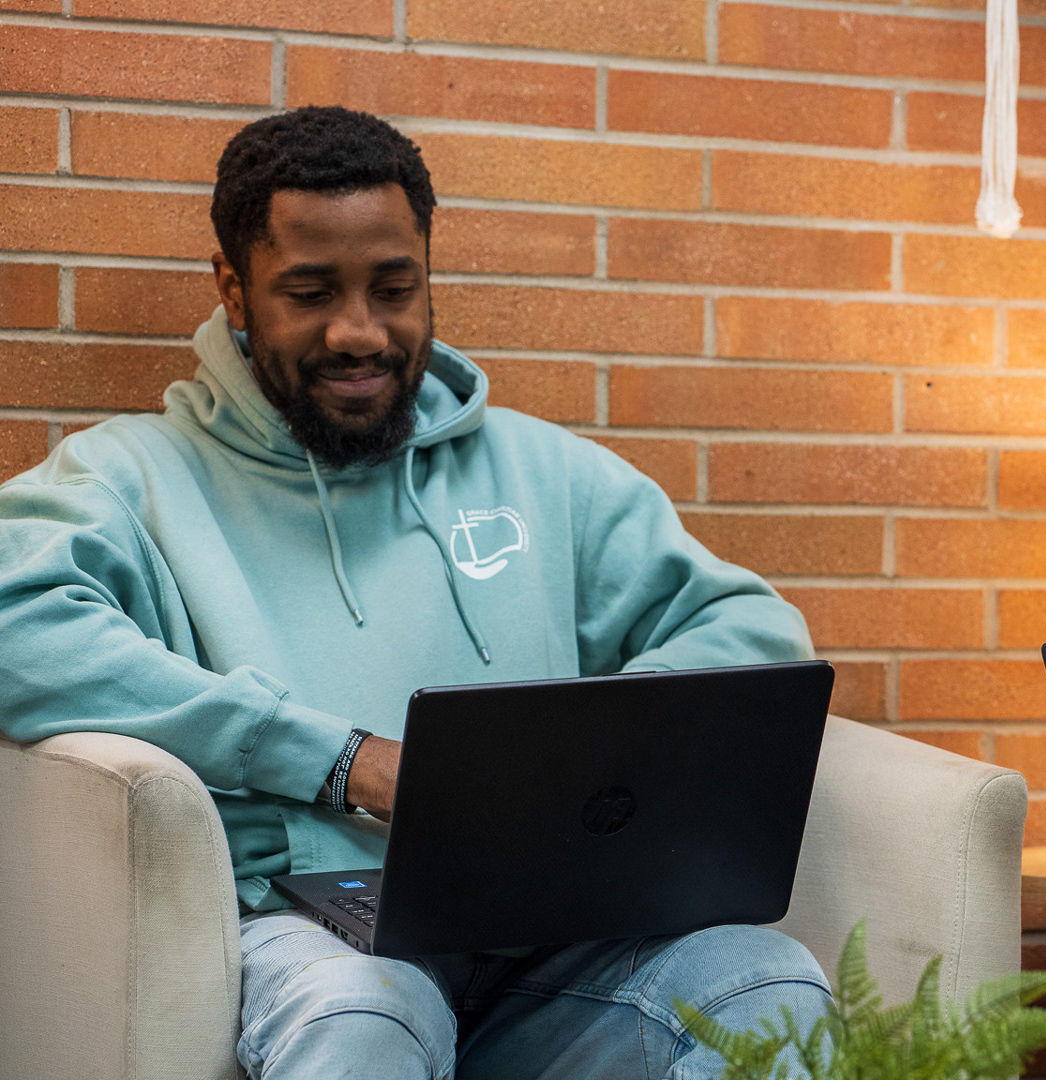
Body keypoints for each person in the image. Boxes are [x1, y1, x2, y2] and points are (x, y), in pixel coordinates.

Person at [0, 106, 832, 1079]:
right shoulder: (128, 480)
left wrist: (572, 760)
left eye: (395, 288)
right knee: (365, 1015)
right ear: (232, 288)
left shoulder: (547, 473)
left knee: (765, 989)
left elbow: (750, 631)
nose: (361, 331)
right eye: (310, 292)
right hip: (318, 930)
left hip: (556, 941)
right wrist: (344, 762)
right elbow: (21, 624)